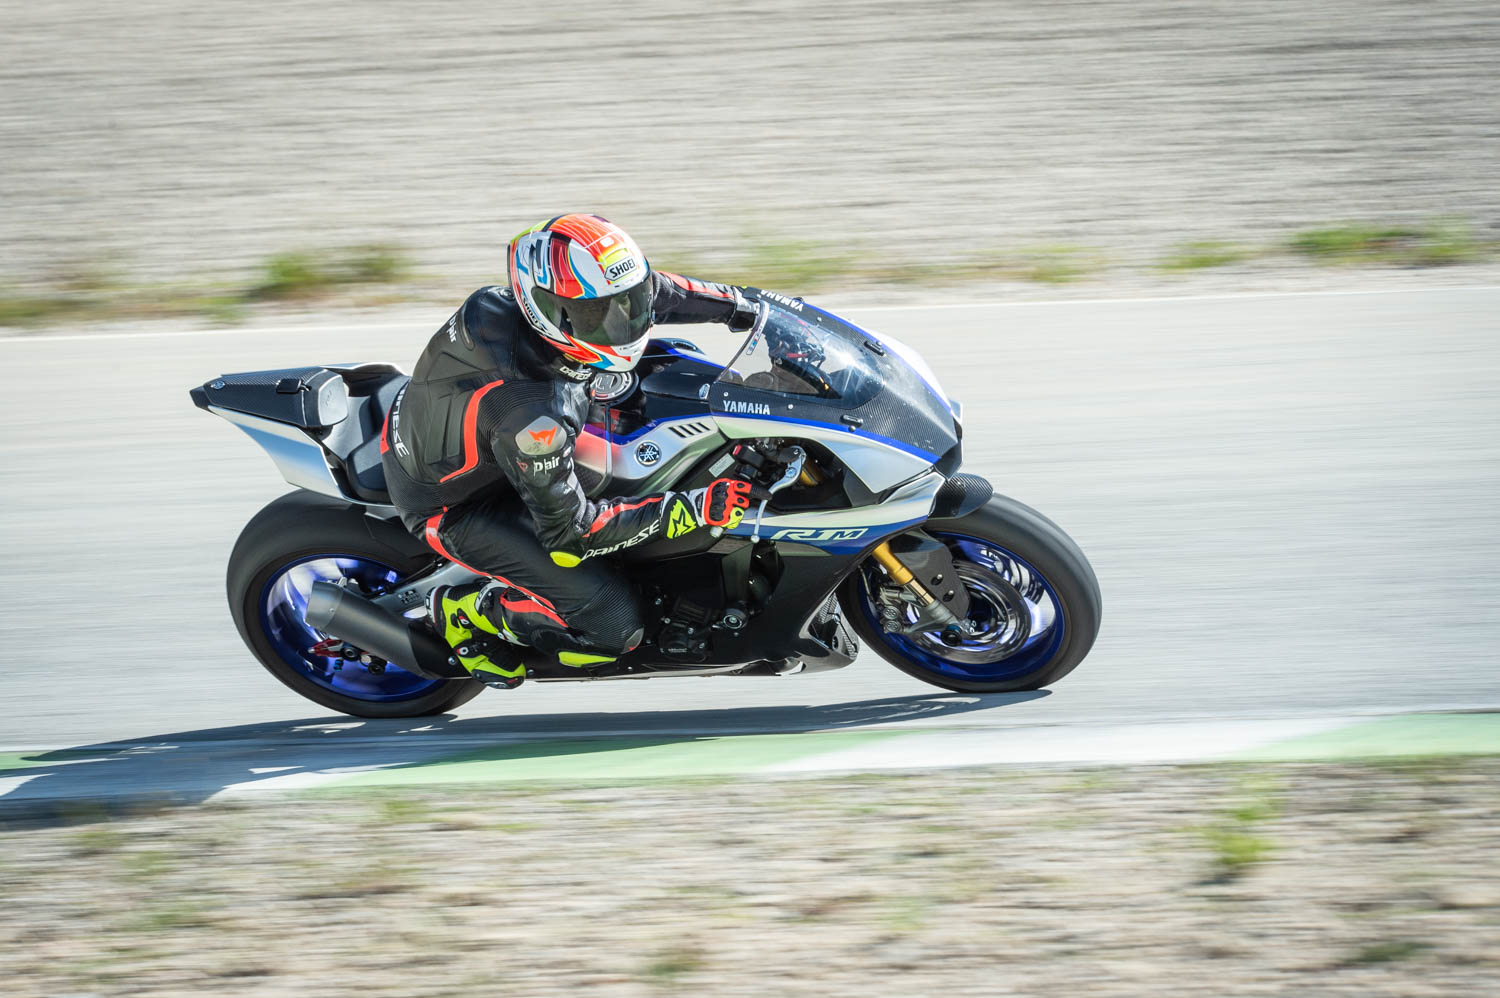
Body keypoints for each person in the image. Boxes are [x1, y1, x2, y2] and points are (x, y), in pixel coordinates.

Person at [380, 214, 756, 689]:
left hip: (475, 435)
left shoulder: (510, 304)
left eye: (628, 303)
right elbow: (572, 534)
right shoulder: (533, 418)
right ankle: (469, 611)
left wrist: (747, 307)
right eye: (598, 315)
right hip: (459, 505)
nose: (622, 322)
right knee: (615, 625)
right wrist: (692, 508)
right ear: (548, 311)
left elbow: (659, 291)